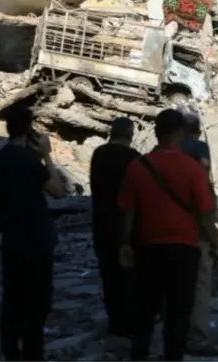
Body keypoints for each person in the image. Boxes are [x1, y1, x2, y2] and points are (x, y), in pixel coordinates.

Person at [117, 109, 218, 361]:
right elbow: (204, 214)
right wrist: (217, 243)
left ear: (156, 132)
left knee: (145, 310)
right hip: (184, 249)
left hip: (147, 247)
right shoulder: (193, 169)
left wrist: (125, 243)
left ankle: (139, 355)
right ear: (180, 133)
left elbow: (128, 210)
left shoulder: (137, 167)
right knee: (179, 313)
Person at [0, 105, 67, 361]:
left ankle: (10, 351)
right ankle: (33, 353)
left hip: (11, 238)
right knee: (37, 300)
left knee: (12, 297)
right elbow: (58, 191)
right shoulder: (32, 162)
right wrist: (47, 156)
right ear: (28, 130)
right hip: (37, 238)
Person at [89, 117, 141, 341]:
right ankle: (131, 322)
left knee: (108, 274)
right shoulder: (134, 158)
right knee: (129, 275)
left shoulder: (99, 154)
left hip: (102, 221)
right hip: (128, 225)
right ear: (130, 134)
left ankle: (115, 322)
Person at [178, 111, 218, 355]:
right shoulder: (199, 148)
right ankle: (196, 338)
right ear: (196, 130)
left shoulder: (165, 152)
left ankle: (173, 334)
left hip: (167, 228)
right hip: (196, 230)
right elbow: (204, 203)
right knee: (200, 283)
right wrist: (216, 241)